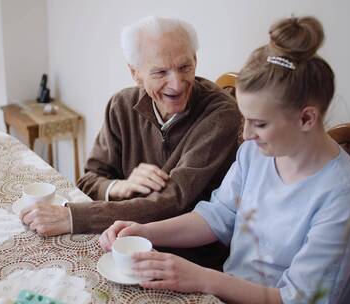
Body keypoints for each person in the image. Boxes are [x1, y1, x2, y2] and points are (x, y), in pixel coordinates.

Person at [99, 16, 350, 303]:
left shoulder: (346, 198)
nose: (246, 135)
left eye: (259, 124)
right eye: (245, 119)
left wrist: (200, 277)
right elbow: (217, 216)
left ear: (306, 118)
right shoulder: (255, 154)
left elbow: (299, 299)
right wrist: (144, 231)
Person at [20, 16, 241, 239]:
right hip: (122, 237)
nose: (176, 84)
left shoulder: (220, 114)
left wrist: (75, 218)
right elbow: (88, 181)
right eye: (160, 72)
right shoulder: (121, 105)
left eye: (185, 67)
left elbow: (173, 202)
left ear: (195, 60)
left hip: (187, 251)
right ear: (135, 73)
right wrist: (120, 187)